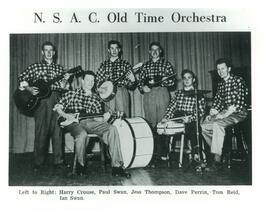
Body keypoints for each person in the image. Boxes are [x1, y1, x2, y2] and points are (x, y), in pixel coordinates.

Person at [53, 71, 131, 178]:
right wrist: (67, 115)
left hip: (91, 123)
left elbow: (98, 119)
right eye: (88, 80)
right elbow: (58, 107)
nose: (90, 82)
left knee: (112, 129)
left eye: (93, 81)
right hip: (75, 123)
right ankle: (80, 167)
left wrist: (105, 118)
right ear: (83, 81)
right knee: (82, 134)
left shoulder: (96, 98)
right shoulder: (72, 93)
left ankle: (117, 167)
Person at [18, 41, 70, 172]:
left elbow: (64, 88)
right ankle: (38, 162)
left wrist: (65, 80)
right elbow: (21, 77)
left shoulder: (59, 69)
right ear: (42, 52)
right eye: (46, 50)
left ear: (54, 52)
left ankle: (59, 161)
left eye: (50, 50)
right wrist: (29, 88)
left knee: (58, 131)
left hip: (56, 99)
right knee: (41, 131)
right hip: (41, 102)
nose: (48, 52)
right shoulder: (35, 67)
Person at [201, 58, 248, 171]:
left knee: (218, 125)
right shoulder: (221, 85)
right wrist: (212, 112)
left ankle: (217, 160)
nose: (220, 71)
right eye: (218, 69)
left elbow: (238, 103)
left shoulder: (238, 80)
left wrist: (223, 115)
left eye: (223, 69)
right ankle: (221, 151)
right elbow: (217, 103)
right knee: (204, 125)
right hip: (225, 113)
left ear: (229, 69)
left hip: (238, 113)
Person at [160, 70, 206, 164]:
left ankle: (196, 154)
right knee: (164, 127)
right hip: (178, 117)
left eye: (189, 77)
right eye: (184, 78)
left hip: (191, 118)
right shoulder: (178, 94)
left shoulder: (199, 94)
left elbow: (200, 112)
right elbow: (171, 108)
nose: (187, 80)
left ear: (193, 80)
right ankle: (164, 154)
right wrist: (166, 117)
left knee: (194, 127)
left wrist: (190, 118)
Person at [138, 41, 176, 128]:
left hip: (162, 93)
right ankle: (153, 141)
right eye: (152, 50)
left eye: (157, 50)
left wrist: (163, 81)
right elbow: (140, 81)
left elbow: (172, 81)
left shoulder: (166, 64)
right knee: (150, 122)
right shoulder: (145, 66)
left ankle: (163, 142)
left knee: (163, 121)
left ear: (160, 51)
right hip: (149, 94)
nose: (155, 52)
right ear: (149, 52)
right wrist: (142, 88)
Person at [96, 40, 136, 117]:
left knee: (123, 117)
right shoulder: (104, 64)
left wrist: (133, 80)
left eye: (116, 48)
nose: (114, 51)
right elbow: (98, 80)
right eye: (112, 48)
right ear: (108, 50)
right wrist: (102, 89)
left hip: (121, 91)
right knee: (109, 117)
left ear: (119, 50)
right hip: (107, 94)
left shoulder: (125, 64)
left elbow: (131, 86)